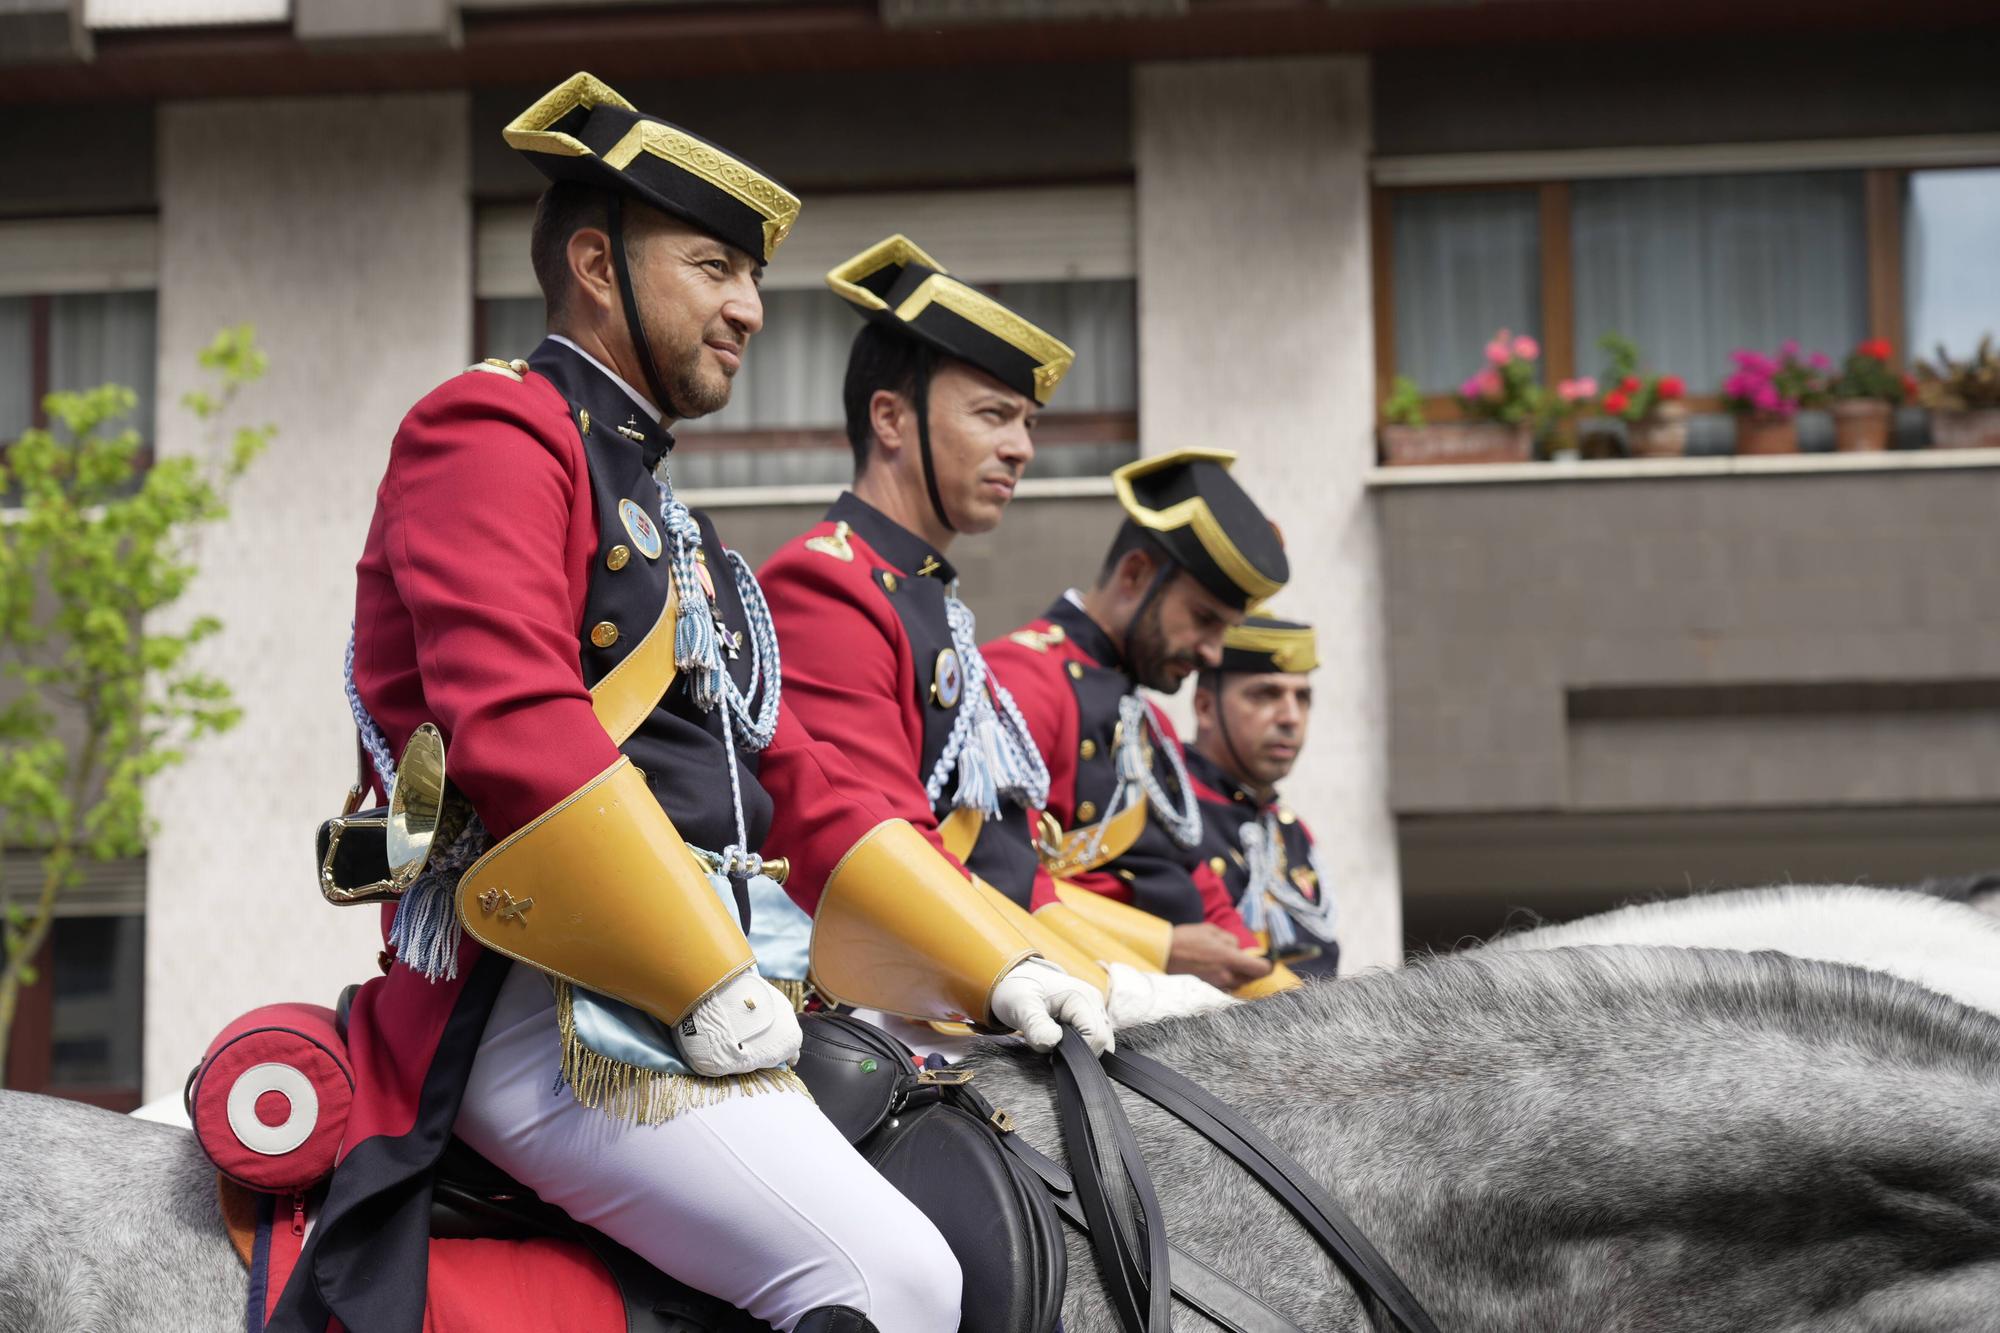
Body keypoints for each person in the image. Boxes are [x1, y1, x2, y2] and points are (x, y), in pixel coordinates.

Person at [272, 74, 1110, 1333]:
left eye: (752, 279)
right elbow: (509, 717)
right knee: (893, 1279)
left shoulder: (685, 534)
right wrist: (700, 974)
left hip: (712, 997)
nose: (749, 310)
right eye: (716, 267)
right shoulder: (492, 427)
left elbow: (809, 798)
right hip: (549, 1005)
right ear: (599, 265)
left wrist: (1006, 966)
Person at [760, 236, 1232, 1037]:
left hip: (976, 971)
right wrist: (1096, 983)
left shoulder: (931, 600)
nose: (1022, 447)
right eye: (993, 415)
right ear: (891, 419)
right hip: (889, 997)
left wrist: (1112, 975)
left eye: (1027, 422)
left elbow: (1016, 874)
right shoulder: (825, 581)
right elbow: (885, 849)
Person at [984, 449, 1299, 997]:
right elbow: (993, 880)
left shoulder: (1151, 721)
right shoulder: (1025, 679)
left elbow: (1206, 894)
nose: (1214, 652)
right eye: (1204, 619)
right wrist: (1163, 948)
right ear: (1135, 574)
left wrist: (1313, 1010)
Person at [1187, 615, 1339, 977]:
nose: (1291, 717)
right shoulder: (1165, 810)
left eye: (1302, 698)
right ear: (1205, 707)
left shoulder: (1292, 832)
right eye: (1266, 694)